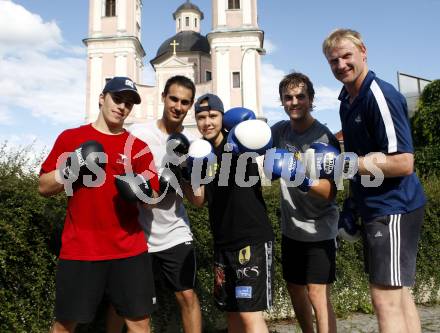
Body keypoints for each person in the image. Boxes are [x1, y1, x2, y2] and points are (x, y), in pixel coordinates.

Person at [323, 28, 426, 333]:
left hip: (393, 207)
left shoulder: (377, 95)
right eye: (333, 60)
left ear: (363, 51)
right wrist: (353, 204)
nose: (340, 64)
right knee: (400, 295)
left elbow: (403, 162)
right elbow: (362, 161)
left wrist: (344, 164)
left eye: (346, 56)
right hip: (375, 208)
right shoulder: (347, 99)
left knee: (384, 300)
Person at [38, 76, 160, 333]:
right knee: (65, 324)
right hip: (81, 248)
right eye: (117, 99)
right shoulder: (71, 138)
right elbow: (44, 187)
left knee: (139, 323)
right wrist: (71, 167)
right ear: (102, 98)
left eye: (128, 103)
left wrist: (141, 190)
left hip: (129, 250)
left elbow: (152, 201)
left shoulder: (138, 148)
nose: (122, 107)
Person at [189, 94, 275, 333]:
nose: (207, 122)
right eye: (201, 117)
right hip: (223, 242)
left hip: (251, 240)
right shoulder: (201, 151)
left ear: (222, 117)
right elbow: (198, 200)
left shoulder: (239, 141)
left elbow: (266, 153)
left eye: (213, 116)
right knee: (232, 314)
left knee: (249, 316)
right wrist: (190, 171)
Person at [128, 75, 202, 333]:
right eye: (173, 98)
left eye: (184, 102)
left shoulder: (193, 144)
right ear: (163, 97)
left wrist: (181, 174)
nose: (178, 106)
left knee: (188, 296)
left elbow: (198, 200)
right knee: (129, 305)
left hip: (174, 231)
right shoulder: (139, 133)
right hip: (137, 233)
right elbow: (123, 178)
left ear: (190, 105)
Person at [270, 72, 339, 333]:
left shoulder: (325, 138)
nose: (294, 102)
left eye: (300, 96)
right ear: (282, 101)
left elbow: (331, 192)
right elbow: (252, 149)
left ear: (311, 99)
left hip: (320, 228)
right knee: (295, 289)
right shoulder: (279, 131)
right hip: (292, 228)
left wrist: (301, 177)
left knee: (317, 294)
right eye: (288, 97)